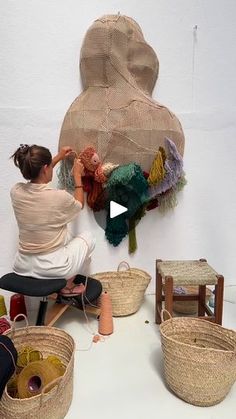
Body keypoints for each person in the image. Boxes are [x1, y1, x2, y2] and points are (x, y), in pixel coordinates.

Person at [10, 143, 95, 296]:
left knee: (66, 235)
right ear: (45, 168)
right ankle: (67, 286)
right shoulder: (58, 197)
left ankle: (64, 284)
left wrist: (57, 158)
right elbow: (79, 204)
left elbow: (39, 177)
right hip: (51, 268)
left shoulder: (16, 192)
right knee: (88, 238)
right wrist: (77, 176)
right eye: (50, 166)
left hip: (22, 266)